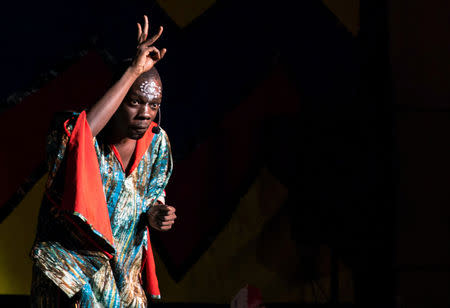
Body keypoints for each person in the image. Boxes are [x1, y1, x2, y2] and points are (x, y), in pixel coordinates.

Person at [30, 15, 176, 307]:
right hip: (72, 275)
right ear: (117, 96)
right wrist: (133, 71)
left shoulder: (157, 143)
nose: (145, 113)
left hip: (123, 274)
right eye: (134, 101)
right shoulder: (77, 132)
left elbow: (151, 196)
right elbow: (77, 139)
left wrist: (156, 213)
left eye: (154, 105)